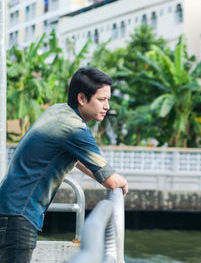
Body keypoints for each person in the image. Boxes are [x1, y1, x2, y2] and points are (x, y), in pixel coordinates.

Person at [0, 67, 128, 262]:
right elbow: (111, 180)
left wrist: (102, 176)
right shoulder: (74, 129)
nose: (107, 106)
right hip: (19, 214)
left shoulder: (59, 112)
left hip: (11, 209)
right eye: (101, 100)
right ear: (82, 99)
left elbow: (80, 160)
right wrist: (120, 183)